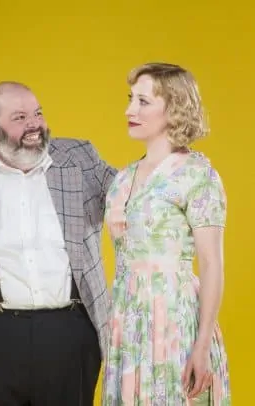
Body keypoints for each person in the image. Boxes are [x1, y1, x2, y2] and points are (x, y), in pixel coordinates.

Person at [0, 81, 116, 406]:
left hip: (69, 334)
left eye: (38, 113)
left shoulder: (79, 158)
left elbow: (134, 193)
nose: (34, 124)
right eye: (19, 117)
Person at [102, 62, 231, 405]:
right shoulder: (122, 179)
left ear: (173, 107)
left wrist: (201, 345)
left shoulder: (197, 176)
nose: (130, 110)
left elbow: (211, 263)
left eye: (143, 102)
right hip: (127, 320)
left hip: (173, 320)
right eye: (131, 99)